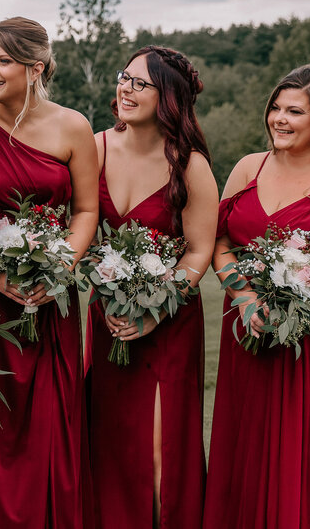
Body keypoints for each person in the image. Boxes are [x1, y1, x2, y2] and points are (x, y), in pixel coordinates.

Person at [0, 16, 98, 529]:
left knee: (50, 423)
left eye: (3, 60)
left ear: (36, 68)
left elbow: (86, 211)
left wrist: (60, 269)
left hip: (51, 304)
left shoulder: (73, 127)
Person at [204, 64, 310, 528]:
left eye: (295, 111)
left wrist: (307, 306)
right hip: (250, 335)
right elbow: (219, 243)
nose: (279, 119)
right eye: (276, 107)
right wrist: (247, 298)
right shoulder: (248, 167)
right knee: (248, 444)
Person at [85, 46, 218, 528]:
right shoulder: (94, 149)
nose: (126, 88)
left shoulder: (190, 165)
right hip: (109, 321)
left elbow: (199, 251)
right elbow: (80, 226)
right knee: (112, 445)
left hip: (169, 324)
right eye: (124, 77)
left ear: (169, 98)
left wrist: (155, 310)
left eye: (140, 83)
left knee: (162, 451)